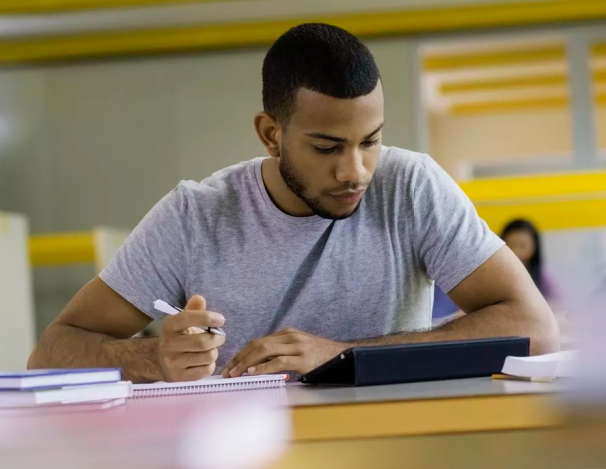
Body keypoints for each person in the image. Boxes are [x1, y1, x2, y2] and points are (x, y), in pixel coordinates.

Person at [28, 23, 559, 383]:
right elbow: (51, 352)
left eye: (370, 141)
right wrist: (154, 357)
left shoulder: (412, 185)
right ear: (271, 134)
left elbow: (535, 329)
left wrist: (343, 356)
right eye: (327, 147)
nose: (354, 171)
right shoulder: (195, 215)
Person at [500, 219, 560, 301]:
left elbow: (556, 301)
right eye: (512, 245)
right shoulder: (496, 275)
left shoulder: (542, 278)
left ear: (534, 247)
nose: (516, 252)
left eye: (522, 246)